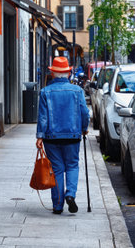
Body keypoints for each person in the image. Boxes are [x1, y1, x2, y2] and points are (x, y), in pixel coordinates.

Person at [36, 57, 90, 214]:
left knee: (57, 169)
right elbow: (85, 112)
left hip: (51, 137)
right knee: (72, 165)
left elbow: (43, 117)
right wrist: (84, 128)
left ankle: (58, 205)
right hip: (72, 136)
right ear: (68, 73)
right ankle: (70, 195)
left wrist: (40, 136)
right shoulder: (77, 91)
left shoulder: (45, 92)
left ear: (52, 72)